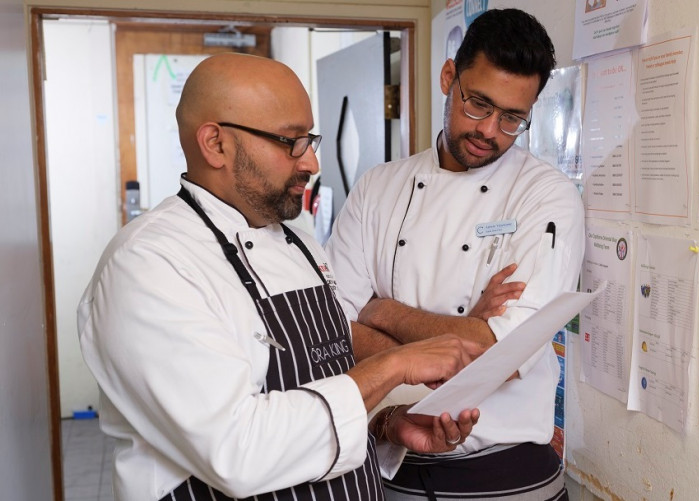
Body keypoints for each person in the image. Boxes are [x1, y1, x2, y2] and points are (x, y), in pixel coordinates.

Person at [77, 53, 485, 501]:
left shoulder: (299, 241)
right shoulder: (149, 263)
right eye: (290, 141)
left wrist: (384, 425)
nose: (311, 162)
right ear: (215, 144)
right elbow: (237, 451)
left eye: (310, 140)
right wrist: (393, 366)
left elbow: (320, 389)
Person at [326, 9, 585, 500]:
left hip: (508, 476)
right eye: (477, 104)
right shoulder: (379, 187)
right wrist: (463, 339)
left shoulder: (546, 198)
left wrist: (381, 310)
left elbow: (503, 356)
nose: (489, 130)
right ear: (449, 78)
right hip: (388, 463)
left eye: (512, 118)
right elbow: (332, 328)